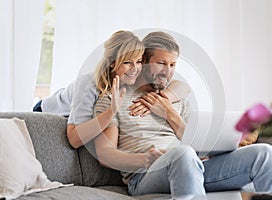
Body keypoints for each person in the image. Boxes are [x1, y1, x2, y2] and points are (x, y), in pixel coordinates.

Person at [93, 31, 272, 199]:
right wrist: (144, 159)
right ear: (143, 62)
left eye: (173, 65)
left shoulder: (176, 100)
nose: (168, 72)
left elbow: (195, 142)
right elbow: (105, 155)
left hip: (192, 166)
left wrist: (170, 113)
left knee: (264, 154)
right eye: (161, 63)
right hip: (145, 176)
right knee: (182, 153)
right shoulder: (113, 100)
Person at [33, 30, 191, 149]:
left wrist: (161, 100)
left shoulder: (136, 77)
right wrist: (111, 111)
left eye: (138, 61)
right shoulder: (89, 84)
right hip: (53, 111)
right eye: (127, 62)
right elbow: (74, 139)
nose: (135, 69)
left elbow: (183, 86)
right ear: (112, 63)